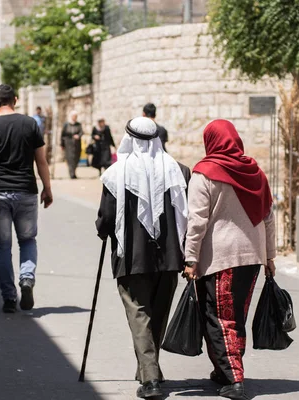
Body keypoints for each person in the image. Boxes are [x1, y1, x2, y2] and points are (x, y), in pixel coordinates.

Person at [96, 117, 190, 399]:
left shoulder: (116, 174)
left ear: (129, 139)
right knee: (158, 313)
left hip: (132, 257)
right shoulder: (179, 171)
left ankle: (149, 378)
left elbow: (107, 218)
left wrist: (102, 230)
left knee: (139, 313)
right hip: (170, 257)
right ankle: (149, 368)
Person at [182, 120, 276, 400]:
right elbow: (269, 217)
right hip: (252, 257)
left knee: (219, 317)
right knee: (236, 315)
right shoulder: (255, 172)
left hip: (220, 257)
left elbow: (196, 220)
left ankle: (234, 378)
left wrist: (190, 258)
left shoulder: (205, 172)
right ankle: (223, 370)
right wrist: (270, 256)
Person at [0, 84, 53, 314]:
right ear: (15, 100)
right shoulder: (30, 124)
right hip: (26, 191)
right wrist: (47, 188)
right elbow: (41, 161)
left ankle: (9, 298)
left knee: (2, 247)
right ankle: (27, 278)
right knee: (27, 240)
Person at [60, 110, 83, 179]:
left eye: (75, 116)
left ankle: (74, 171)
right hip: (68, 144)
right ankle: (71, 173)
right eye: (73, 116)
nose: (74, 117)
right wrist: (62, 144)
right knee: (70, 159)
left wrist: (78, 136)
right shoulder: (66, 125)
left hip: (77, 144)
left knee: (76, 158)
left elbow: (81, 132)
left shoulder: (78, 124)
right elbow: (62, 135)